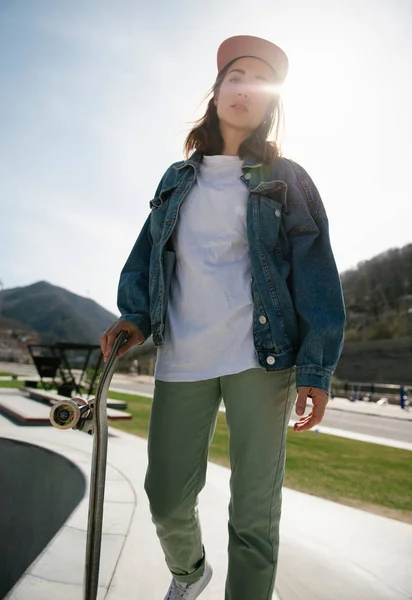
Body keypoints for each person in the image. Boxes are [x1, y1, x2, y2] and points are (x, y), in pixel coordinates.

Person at [100, 35, 345, 600]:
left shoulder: (283, 177)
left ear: (269, 103)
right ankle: (190, 574)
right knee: (165, 499)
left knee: (254, 516)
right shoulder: (176, 179)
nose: (245, 88)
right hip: (183, 353)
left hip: (262, 358)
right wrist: (134, 316)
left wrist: (316, 367)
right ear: (216, 93)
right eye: (236, 75)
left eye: (260, 81)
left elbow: (315, 274)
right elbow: (147, 253)